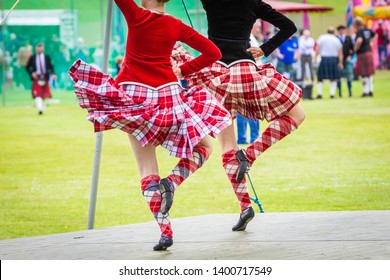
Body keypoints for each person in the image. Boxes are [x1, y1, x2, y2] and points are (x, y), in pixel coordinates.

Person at [69, 0, 231, 251]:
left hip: (136, 97)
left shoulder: (136, 15)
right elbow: (214, 53)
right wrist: (183, 70)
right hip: (169, 97)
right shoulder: (175, 24)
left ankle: (165, 231)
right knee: (204, 148)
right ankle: (172, 183)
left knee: (146, 169)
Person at [172, 0, 305, 232]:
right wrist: (265, 48)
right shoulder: (253, 2)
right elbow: (289, 26)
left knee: (227, 148)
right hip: (246, 71)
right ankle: (251, 156)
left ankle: (245, 206)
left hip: (216, 74)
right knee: (297, 114)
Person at [237, 22, 261, 145]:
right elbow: (254, 56)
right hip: (249, 75)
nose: (258, 30)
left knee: (240, 109)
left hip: (238, 75)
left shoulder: (238, 35)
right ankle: (254, 137)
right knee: (252, 107)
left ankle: (241, 138)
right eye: (257, 28)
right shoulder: (250, 38)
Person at [26, 43, 56, 115]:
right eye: (38, 48)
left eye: (41, 48)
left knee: (43, 95)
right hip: (37, 78)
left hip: (45, 77)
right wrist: (32, 73)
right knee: (37, 94)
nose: (39, 49)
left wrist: (53, 74)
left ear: (43, 49)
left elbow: (51, 66)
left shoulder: (47, 57)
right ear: (36, 49)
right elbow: (27, 67)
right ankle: (40, 109)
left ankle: (41, 107)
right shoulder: (32, 57)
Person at [315, 26, 343, 99]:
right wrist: (340, 62)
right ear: (334, 32)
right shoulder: (336, 39)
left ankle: (319, 94)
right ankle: (332, 94)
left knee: (320, 78)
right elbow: (340, 53)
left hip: (324, 59)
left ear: (327, 31)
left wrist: (315, 58)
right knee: (333, 78)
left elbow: (317, 49)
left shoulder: (322, 37)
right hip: (333, 60)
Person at [354, 17, 376, 97]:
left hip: (362, 53)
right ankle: (371, 90)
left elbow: (359, 40)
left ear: (356, 24)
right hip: (369, 52)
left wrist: (355, 48)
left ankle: (365, 91)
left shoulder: (359, 31)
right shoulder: (368, 30)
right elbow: (375, 35)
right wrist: (370, 41)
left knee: (363, 73)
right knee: (369, 73)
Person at [336, 25, 355, 97]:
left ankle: (350, 92)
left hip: (347, 60)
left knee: (349, 76)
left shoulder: (348, 38)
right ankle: (340, 93)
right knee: (338, 77)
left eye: (342, 30)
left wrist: (350, 56)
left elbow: (353, 49)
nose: (341, 31)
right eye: (340, 30)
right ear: (338, 31)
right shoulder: (336, 38)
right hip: (338, 60)